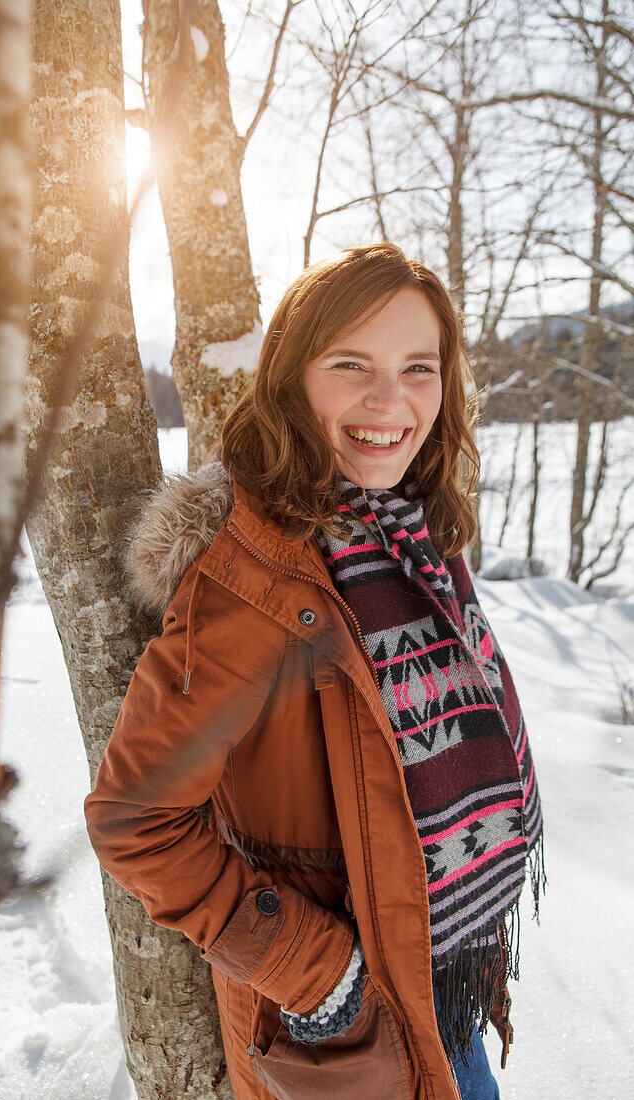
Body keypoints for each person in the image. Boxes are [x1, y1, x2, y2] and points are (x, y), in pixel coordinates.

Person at [84, 243, 545, 1100]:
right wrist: (318, 974)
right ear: (292, 377)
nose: (389, 400)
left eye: (418, 366)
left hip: (446, 984)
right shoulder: (254, 579)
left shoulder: (417, 533)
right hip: (353, 1025)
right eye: (350, 365)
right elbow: (133, 818)